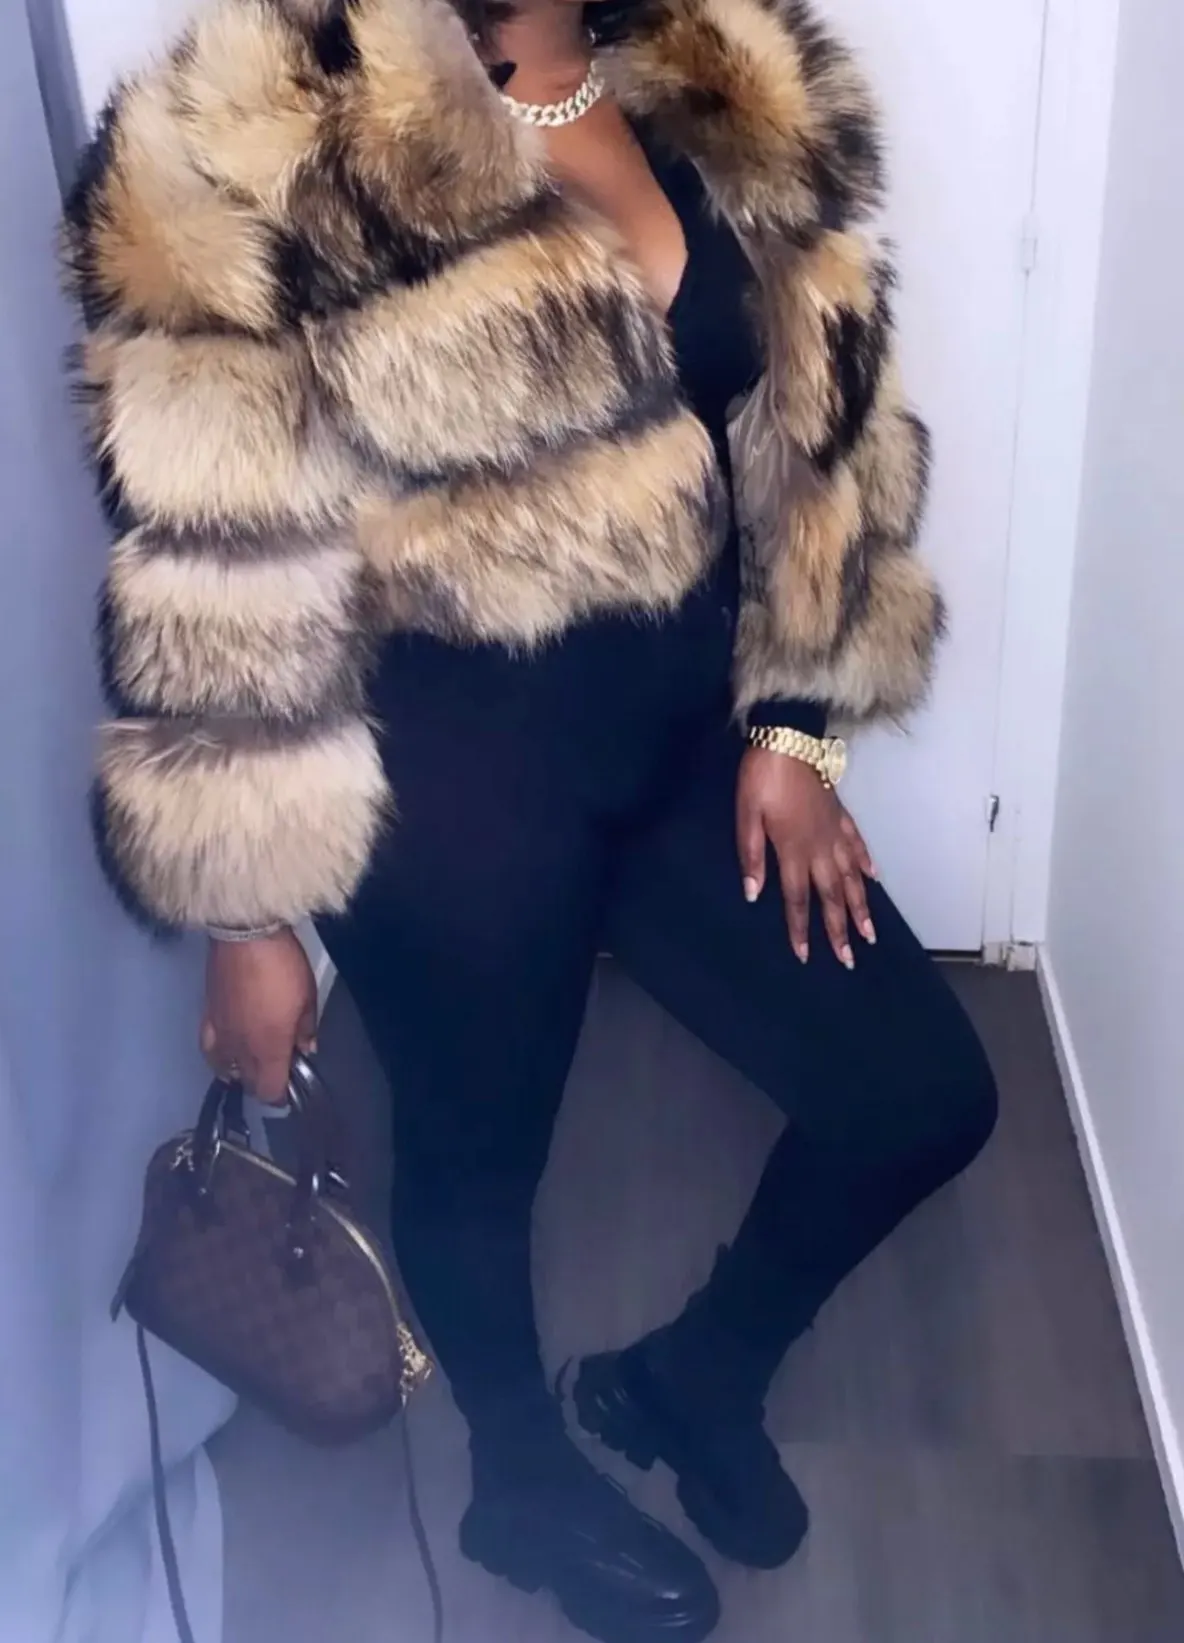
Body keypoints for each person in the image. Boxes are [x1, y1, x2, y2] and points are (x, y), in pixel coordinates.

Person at [65, 0, 999, 1637]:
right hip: (451, 780)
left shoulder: (724, 74)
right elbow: (212, 550)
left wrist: (794, 724)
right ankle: (517, 1474)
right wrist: (245, 912)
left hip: (679, 738)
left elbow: (823, 420)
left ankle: (691, 1377)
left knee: (917, 1093)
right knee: (477, 1164)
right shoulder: (262, 122)